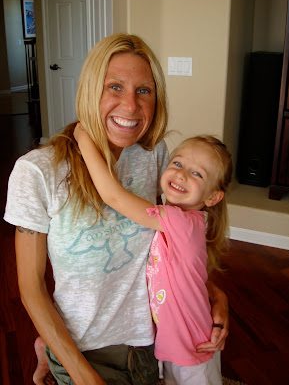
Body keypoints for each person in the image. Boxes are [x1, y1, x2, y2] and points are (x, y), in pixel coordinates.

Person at [4, 33, 228, 385]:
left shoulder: (155, 157)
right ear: (90, 89)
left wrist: (215, 294)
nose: (130, 106)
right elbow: (31, 286)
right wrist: (81, 373)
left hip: (149, 342)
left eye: (144, 90)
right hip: (83, 350)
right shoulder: (37, 172)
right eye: (115, 87)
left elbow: (174, 245)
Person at [74, 127, 232, 385]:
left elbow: (113, 196)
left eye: (196, 173)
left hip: (192, 343)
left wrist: (83, 138)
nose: (181, 174)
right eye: (177, 163)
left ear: (213, 197)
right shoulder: (175, 217)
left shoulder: (180, 222)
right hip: (176, 337)